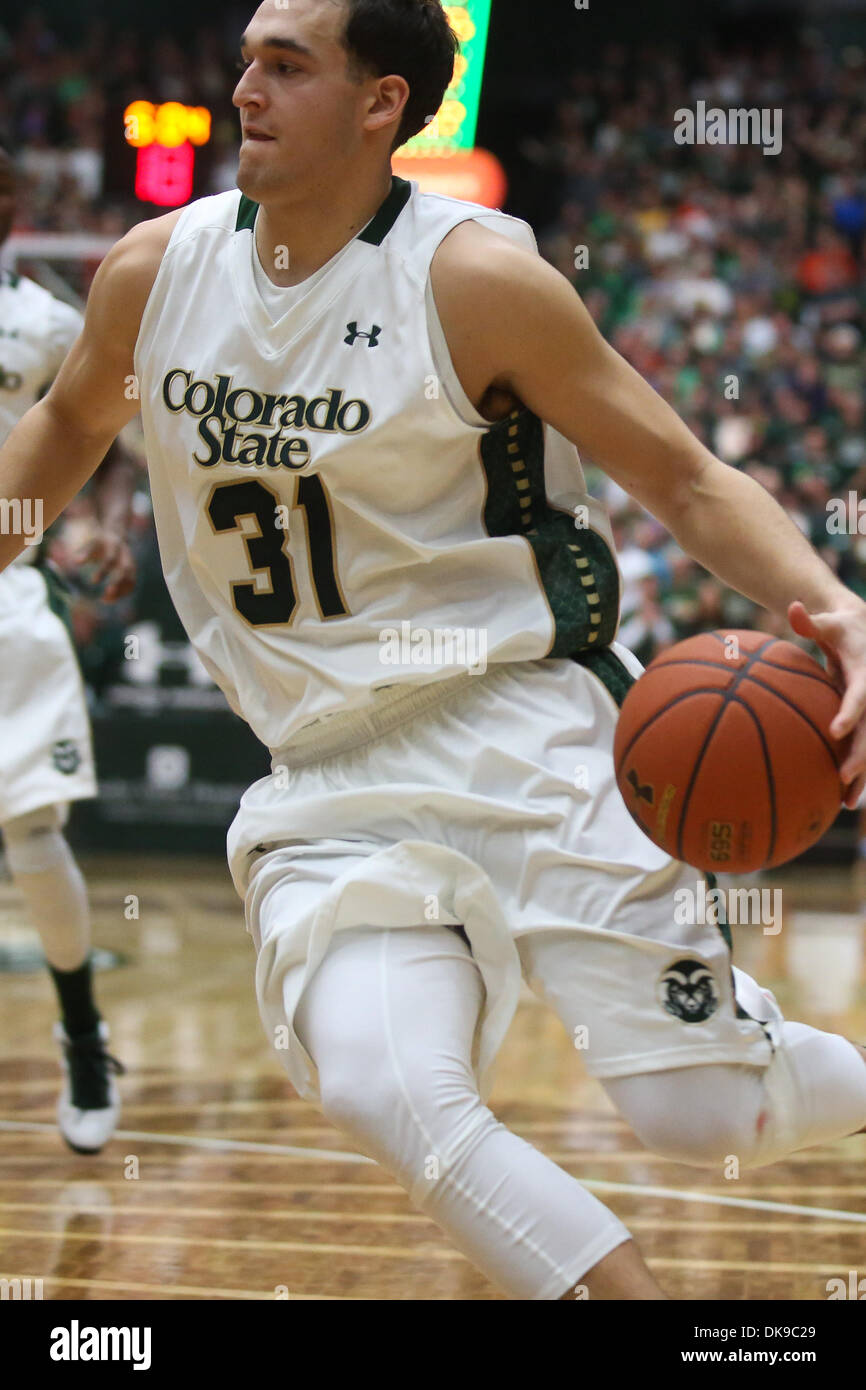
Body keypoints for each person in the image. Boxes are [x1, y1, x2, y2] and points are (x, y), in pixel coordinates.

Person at [1, 0, 865, 1298]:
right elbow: (60, 437)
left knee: (699, 1113)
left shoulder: (476, 282)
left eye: (286, 65)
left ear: (380, 102)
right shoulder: (150, 275)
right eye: (246, 58)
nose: (245, 88)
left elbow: (683, 479)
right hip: (322, 771)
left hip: (520, 730)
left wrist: (833, 602)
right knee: (378, 1076)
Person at [0, 143, 137, 1153]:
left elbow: (83, 446)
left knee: (34, 837)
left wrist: (82, 531)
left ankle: (84, 1034)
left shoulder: (50, 326)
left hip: (7, 594)